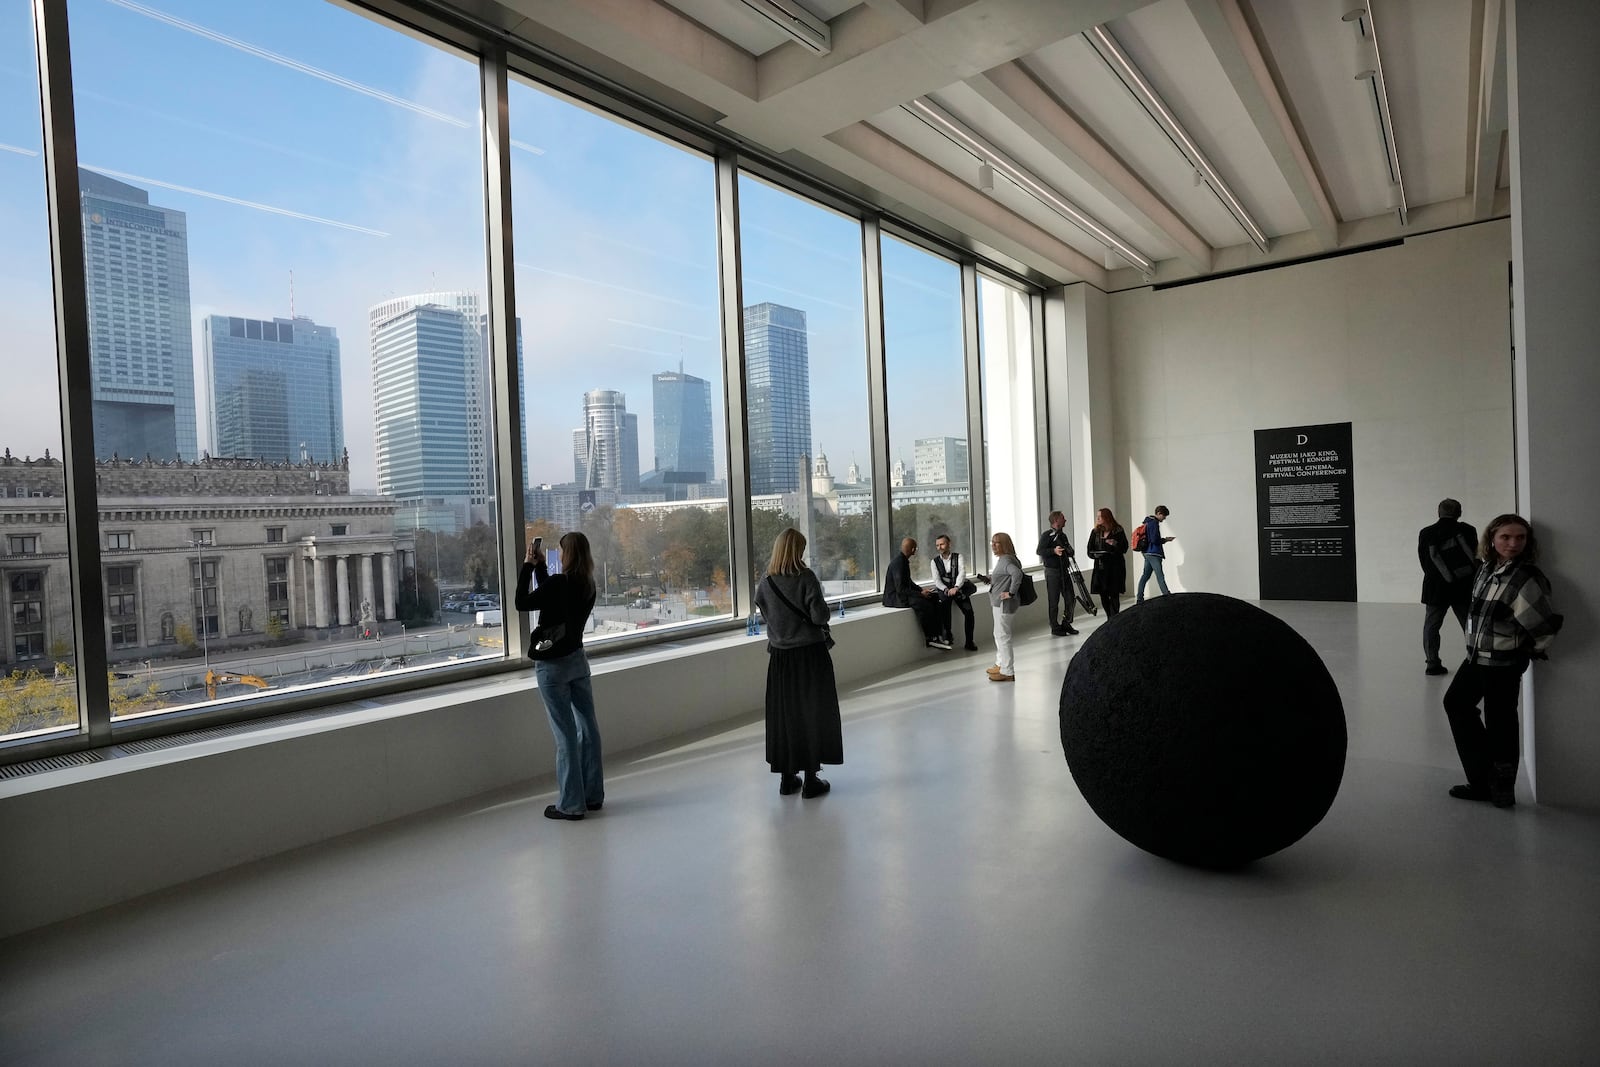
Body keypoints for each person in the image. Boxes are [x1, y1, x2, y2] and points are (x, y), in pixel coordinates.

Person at [1442, 513, 1561, 809]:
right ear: (1492, 539)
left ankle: (1500, 787)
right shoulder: (1486, 569)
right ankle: (1484, 778)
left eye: (1520, 538)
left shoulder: (1526, 576)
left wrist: (1524, 651)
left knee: (1500, 721)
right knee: (1457, 703)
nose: (1513, 543)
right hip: (1477, 656)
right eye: (1506, 537)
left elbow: (1543, 625)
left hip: (1503, 662)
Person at [515, 532, 603, 822]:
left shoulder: (559, 583)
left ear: (566, 555)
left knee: (564, 735)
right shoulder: (588, 585)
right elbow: (554, 597)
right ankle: (592, 796)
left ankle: (571, 804)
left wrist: (528, 566)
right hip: (577, 660)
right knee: (588, 728)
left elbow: (522, 602)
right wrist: (542, 569)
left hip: (552, 666)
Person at [754, 528, 844, 799]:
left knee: (785, 716)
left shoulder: (766, 582)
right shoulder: (806, 578)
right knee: (813, 713)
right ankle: (811, 779)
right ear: (797, 551)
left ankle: (786, 777)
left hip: (780, 659)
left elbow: (765, 615)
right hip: (810, 656)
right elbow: (819, 616)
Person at [1418, 498, 1479, 676]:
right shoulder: (1468, 530)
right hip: (1463, 586)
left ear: (1438, 512)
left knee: (1431, 625)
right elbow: (1475, 557)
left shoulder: (1426, 532)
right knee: (1469, 624)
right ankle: (1474, 660)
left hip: (1436, 587)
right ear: (1459, 513)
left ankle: (1432, 663)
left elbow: (1424, 561)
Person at [883, 536, 951, 649]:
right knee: (923, 604)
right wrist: (920, 594)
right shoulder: (899, 563)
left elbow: (908, 583)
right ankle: (930, 638)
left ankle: (940, 635)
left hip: (901, 595)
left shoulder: (902, 561)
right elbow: (901, 589)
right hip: (895, 598)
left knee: (934, 598)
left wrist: (921, 590)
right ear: (913, 549)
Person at [977, 532, 1023, 682]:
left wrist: (1010, 592)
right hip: (1001, 603)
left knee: (1003, 636)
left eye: (997, 543)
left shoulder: (1006, 560)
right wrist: (992, 579)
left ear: (1004, 544)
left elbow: (1017, 575)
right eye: (992, 543)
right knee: (998, 634)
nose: (993, 546)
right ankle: (1000, 663)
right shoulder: (1006, 559)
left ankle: (1007, 671)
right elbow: (1008, 576)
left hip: (1004, 604)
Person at [930, 533, 978, 651]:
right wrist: (946, 589)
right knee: (944, 609)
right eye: (937, 545)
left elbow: (962, 573)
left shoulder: (958, 557)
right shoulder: (934, 562)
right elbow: (936, 580)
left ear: (949, 544)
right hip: (944, 590)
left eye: (942, 544)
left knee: (969, 613)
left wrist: (956, 587)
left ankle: (969, 642)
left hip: (959, 589)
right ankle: (948, 635)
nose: (939, 547)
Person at [1036, 511, 1079, 636]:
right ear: (1056, 520)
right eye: (1063, 518)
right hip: (1052, 572)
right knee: (1054, 600)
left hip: (1064, 571)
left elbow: (1069, 550)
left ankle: (1066, 622)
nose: (1065, 520)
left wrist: (1069, 551)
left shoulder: (1063, 536)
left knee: (1070, 598)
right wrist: (1053, 551)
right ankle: (1054, 626)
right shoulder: (1046, 535)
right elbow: (1039, 551)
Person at [1086, 507, 1129, 617]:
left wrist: (1115, 544)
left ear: (1106, 517)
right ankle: (1109, 618)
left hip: (1115, 567)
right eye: (1097, 516)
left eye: (1100, 516)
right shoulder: (1095, 532)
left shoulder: (1118, 530)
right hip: (1101, 568)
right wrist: (1095, 555)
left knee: (1114, 594)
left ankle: (1114, 618)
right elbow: (1089, 550)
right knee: (1103, 594)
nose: (1098, 518)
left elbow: (1124, 548)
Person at [1134, 506, 1174, 602]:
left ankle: (1140, 598)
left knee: (1145, 576)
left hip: (1147, 552)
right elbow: (1154, 540)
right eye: (1164, 516)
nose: (1164, 518)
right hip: (1154, 553)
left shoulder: (1147, 522)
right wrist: (1165, 540)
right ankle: (1167, 595)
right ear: (1159, 513)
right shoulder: (1154, 523)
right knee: (1160, 575)